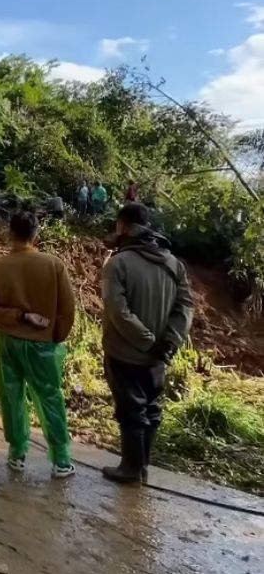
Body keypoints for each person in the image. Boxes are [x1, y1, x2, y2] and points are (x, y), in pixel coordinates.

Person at [100, 203, 194, 484]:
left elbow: (118, 310)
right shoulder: (174, 264)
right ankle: (141, 467)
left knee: (131, 411)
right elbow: (186, 307)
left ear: (122, 226)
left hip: (125, 352)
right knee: (151, 408)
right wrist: (169, 343)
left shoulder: (117, 263)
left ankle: (130, 469)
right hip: (158, 358)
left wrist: (148, 342)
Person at [0, 211, 76, 478]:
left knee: (11, 397)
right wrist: (55, 336)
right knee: (50, 398)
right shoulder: (53, 265)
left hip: (7, 342)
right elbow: (67, 310)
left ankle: (17, 454)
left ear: (10, 233)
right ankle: (61, 460)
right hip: (43, 345)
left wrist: (17, 317)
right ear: (36, 235)